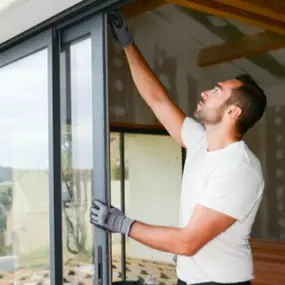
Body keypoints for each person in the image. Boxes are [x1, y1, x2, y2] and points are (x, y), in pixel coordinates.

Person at [90, 9, 267, 285]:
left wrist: (122, 224)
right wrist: (127, 43)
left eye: (217, 91)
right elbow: (158, 100)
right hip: (190, 278)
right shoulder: (200, 142)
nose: (205, 92)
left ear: (233, 112)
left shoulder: (239, 168)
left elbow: (188, 242)